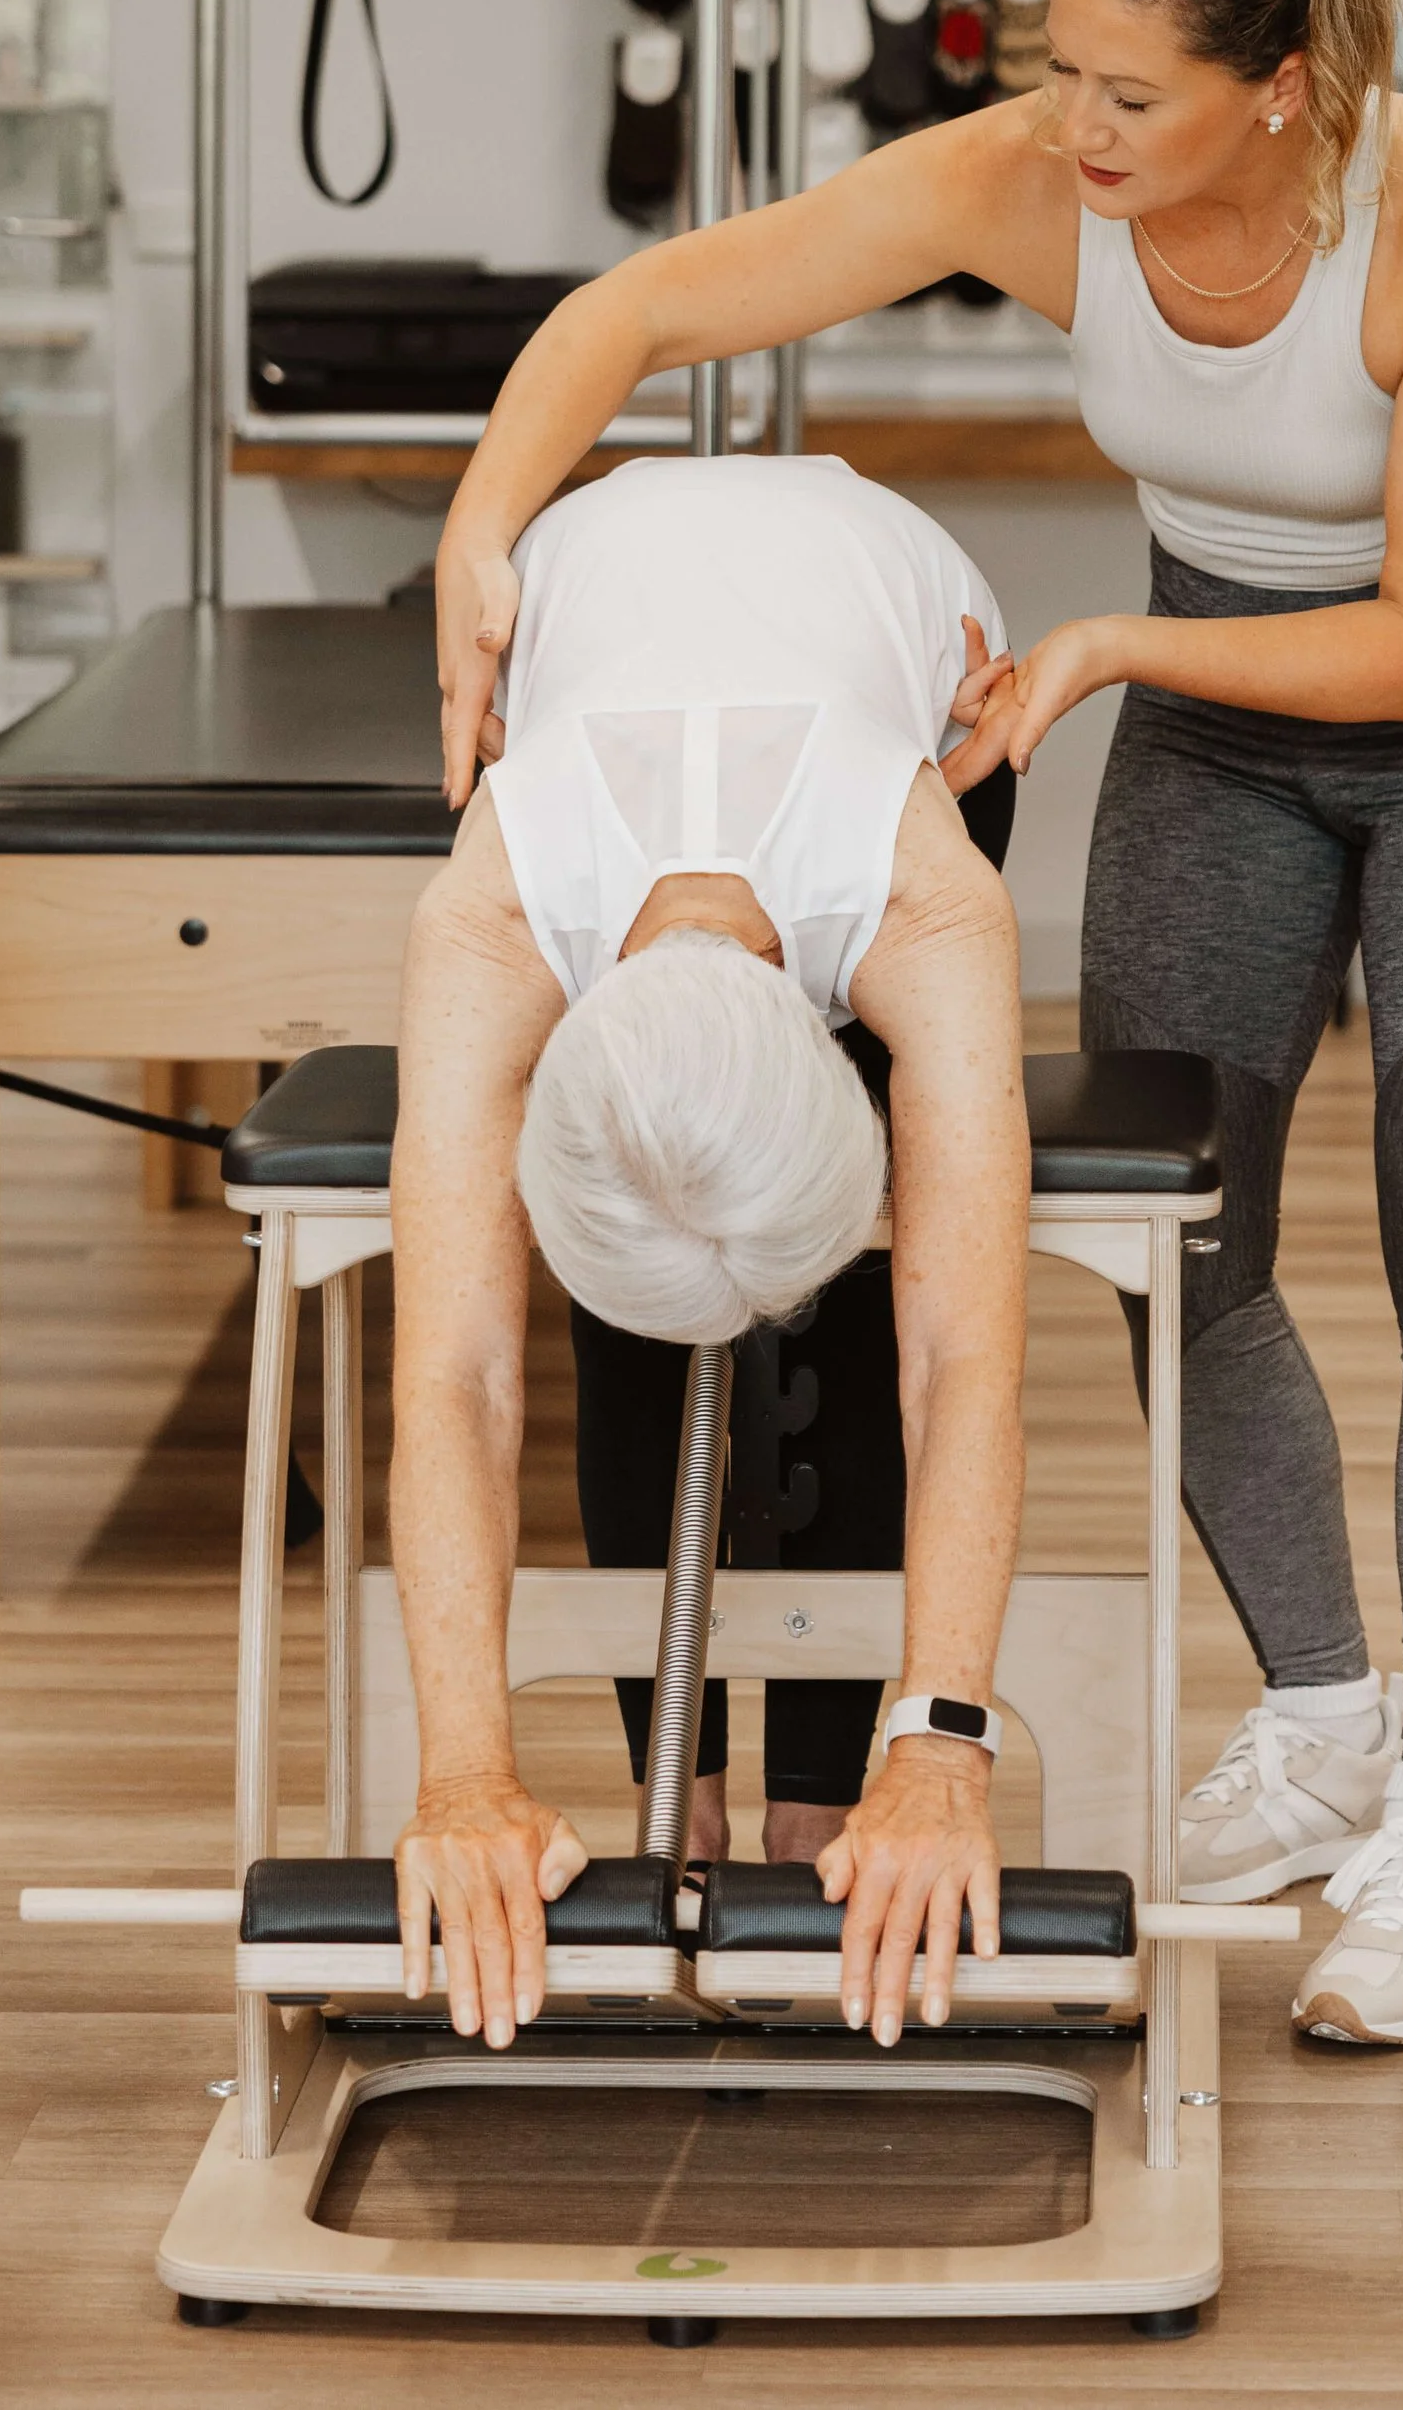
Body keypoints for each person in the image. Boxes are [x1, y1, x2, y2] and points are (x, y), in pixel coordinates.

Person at [433, 0, 1403, 2048]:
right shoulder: (1030, 177)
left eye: (1131, 95)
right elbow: (646, 312)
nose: (1073, 132)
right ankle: (1316, 1725)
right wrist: (490, 533)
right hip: (1219, 725)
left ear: (1281, 90)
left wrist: (1095, 648)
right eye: (1055, 68)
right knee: (1184, 1245)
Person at [389, 450, 1032, 2057]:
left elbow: (962, 1357)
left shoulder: (924, 895)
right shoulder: (489, 915)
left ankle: (824, 1806)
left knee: (850, 1289)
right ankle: (677, 1802)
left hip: (908, 637)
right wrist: (460, 1771)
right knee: (652, 1217)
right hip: (604, 598)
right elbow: (457, 1376)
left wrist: (941, 1741)